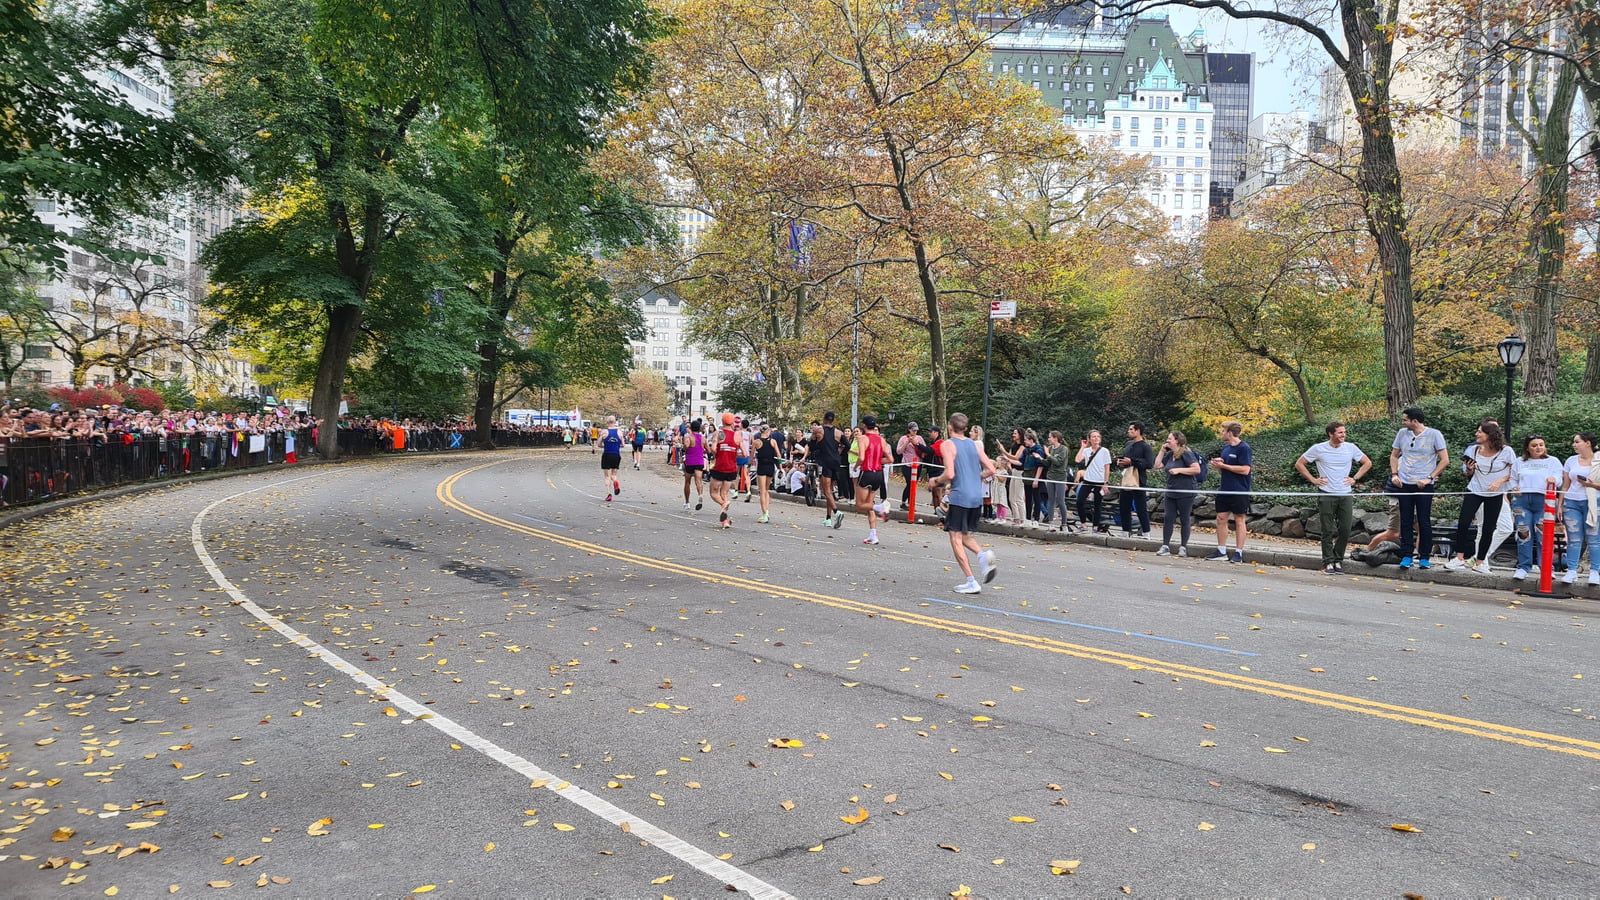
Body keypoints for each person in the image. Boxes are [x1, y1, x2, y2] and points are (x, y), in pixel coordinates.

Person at [928, 412, 997, 594]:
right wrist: (976, 478)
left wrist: (935, 481)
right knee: (964, 534)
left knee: (955, 537)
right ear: (966, 428)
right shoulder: (975, 445)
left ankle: (971, 581)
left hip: (960, 496)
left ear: (950, 427)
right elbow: (991, 469)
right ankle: (983, 556)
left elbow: (949, 473)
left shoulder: (948, 444)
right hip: (976, 496)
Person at [1295, 421, 1373, 574]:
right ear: (1331, 434)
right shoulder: (1318, 448)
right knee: (1327, 529)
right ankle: (1328, 561)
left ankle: (1338, 559)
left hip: (1345, 493)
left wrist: (1355, 478)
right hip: (1326, 493)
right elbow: (1300, 463)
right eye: (1340, 432)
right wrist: (1313, 480)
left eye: (1344, 432)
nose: (1343, 435)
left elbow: (1367, 462)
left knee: (1345, 529)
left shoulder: (1351, 448)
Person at [1441, 422, 1513, 575]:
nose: (1476, 434)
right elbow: (1468, 474)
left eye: (1480, 432)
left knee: (1488, 527)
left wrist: (1499, 482)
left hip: (1495, 493)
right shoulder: (1474, 450)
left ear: (1489, 435)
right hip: (1475, 490)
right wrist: (1469, 468)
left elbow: (1515, 472)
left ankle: (1480, 562)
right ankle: (1459, 558)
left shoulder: (1506, 451)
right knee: (1463, 522)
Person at [1386, 407, 1448, 569]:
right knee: (1405, 520)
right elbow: (1394, 455)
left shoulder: (1434, 434)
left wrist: (1430, 478)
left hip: (1423, 485)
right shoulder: (1402, 433)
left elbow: (1444, 460)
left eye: (1405, 419)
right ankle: (1407, 555)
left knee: (1424, 521)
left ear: (1414, 421)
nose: (1403, 422)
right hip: (1404, 483)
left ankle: (1424, 556)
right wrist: (1395, 474)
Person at [1510, 434, 1563, 580]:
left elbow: (1559, 478)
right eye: (1534, 445)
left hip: (1544, 501)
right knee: (1523, 534)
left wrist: (1554, 480)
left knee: (1543, 535)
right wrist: (1514, 487)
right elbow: (1513, 479)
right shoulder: (1519, 461)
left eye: (1541, 444)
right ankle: (1523, 567)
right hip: (1522, 500)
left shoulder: (1553, 461)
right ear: (1528, 448)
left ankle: (1546, 567)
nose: (1538, 448)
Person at [1204, 421, 1254, 563]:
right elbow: (1223, 469)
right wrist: (1218, 465)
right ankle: (1221, 551)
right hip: (1224, 488)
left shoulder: (1244, 448)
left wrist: (1224, 465)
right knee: (1220, 518)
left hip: (1240, 490)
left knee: (1239, 519)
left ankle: (1238, 553)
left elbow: (1245, 470)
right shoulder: (1225, 449)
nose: (1221, 433)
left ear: (1230, 433)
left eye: (1223, 431)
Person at [1155, 430, 1204, 558]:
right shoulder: (1170, 454)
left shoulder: (1186, 453)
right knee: (1168, 518)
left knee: (1184, 519)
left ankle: (1183, 547)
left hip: (1185, 491)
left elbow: (1196, 469)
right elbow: (1157, 465)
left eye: (1169, 439)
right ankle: (1165, 545)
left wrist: (1179, 470)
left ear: (1177, 440)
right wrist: (1162, 451)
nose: (1167, 441)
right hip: (1171, 491)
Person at [1560, 432, 1600, 585]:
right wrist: (1560, 504)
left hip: (1593, 502)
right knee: (1574, 538)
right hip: (1572, 501)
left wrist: (1591, 485)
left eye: (1577, 442)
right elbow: (1565, 484)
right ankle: (1571, 571)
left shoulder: (1598, 459)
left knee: (1594, 538)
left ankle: (1595, 572)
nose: (1574, 445)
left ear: (1588, 443)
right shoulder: (1571, 460)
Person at [853, 415, 892, 545]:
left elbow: (862, 458)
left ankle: (881, 506)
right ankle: (873, 534)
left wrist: (856, 466)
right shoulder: (881, 440)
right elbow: (890, 459)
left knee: (859, 505)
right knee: (869, 505)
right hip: (879, 474)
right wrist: (878, 461)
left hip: (867, 472)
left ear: (864, 426)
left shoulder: (862, 438)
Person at [1116, 422, 1155, 538]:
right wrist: (1121, 462)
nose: (1129, 431)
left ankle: (1146, 532)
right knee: (1124, 505)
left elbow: (1149, 464)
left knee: (1140, 506)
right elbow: (1126, 459)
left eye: (1131, 429)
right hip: (1127, 478)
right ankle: (1125, 530)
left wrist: (1132, 462)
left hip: (1139, 480)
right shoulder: (1128, 444)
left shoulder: (1145, 446)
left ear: (1138, 431)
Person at [813, 412, 847, 528]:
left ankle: (837, 512)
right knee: (831, 491)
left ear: (824, 419)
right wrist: (839, 451)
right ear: (833, 420)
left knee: (826, 490)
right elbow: (847, 445)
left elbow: (812, 445)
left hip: (825, 462)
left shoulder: (819, 430)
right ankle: (828, 518)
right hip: (836, 461)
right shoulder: (839, 432)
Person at [708, 412, 741, 528]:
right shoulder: (738, 435)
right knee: (724, 493)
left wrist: (720, 451)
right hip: (731, 469)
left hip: (719, 466)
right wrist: (732, 452)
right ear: (732, 422)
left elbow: (713, 449)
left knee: (713, 493)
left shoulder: (718, 433)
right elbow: (745, 453)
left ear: (722, 422)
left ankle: (724, 503)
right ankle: (725, 521)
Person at [1075, 429, 1112, 533]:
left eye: (1098, 436)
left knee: (1097, 504)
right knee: (1080, 501)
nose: (1096, 438)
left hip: (1099, 481)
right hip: (1088, 480)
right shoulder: (1087, 451)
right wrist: (1083, 446)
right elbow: (1077, 459)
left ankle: (1095, 526)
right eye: (1093, 437)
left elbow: (1107, 467)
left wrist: (1106, 482)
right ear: (1089, 439)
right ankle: (1083, 524)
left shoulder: (1104, 451)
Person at [1018, 429, 1048, 523]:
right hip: (1027, 476)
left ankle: (1036, 519)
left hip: (1035, 476)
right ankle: (1027, 518)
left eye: (1026, 439)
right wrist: (1008, 459)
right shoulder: (1026, 451)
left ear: (1031, 440)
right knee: (1028, 498)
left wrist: (1036, 480)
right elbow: (1020, 462)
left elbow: (1040, 466)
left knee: (1036, 498)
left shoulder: (1039, 450)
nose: (1024, 441)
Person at [1044, 431, 1073, 530]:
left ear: (1055, 438)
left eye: (1050, 437)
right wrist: (1039, 458)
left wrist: (1048, 455)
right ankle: (1051, 522)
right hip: (1050, 476)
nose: (1048, 439)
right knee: (1051, 499)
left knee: (1060, 500)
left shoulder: (1063, 449)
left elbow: (1058, 462)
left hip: (1060, 477)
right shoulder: (1050, 448)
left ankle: (1064, 523)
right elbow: (1048, 462)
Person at [753, 423, 781, 524]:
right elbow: (778, 455)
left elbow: (752, 457)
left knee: (762, 491)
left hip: (761, 466)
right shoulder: (773, 441)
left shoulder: (756, 442)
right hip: (770, 466)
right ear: (768, 431)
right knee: (767, 489)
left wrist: (748, 467)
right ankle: (766, 511)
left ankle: (764, 513)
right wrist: (780, 467)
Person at [896, 422, 926, 510]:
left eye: (916, 430)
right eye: (913, 430)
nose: (915, 432)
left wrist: (918, 444)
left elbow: (924, 448)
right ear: (909, 430)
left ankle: (911, 503)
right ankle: (903, 502)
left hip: (917, 464)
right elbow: (899, 451)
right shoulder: (903, 438)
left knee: (914, 484)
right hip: (907, 464)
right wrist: (907, 442)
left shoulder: (920, 438)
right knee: (909, 483)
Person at [681, 419, 707, 511]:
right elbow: (708, 449)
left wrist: (684, 448)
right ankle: (700, 495)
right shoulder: (703, 438)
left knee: (687, 481)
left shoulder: (688, 436)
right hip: (699, 461)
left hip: (690, 461)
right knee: (698, 480)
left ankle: (687, 502)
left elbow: (686, 446)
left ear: (691, 428)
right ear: (699, 428)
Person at [599, 415, 624, 501]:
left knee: (607, 476)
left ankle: (609, 494)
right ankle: (616, 482)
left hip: (607, 454)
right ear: (615, 422)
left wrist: (605, 446)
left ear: (607, 422)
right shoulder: (620, 432)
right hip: (616, 454)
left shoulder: (604, 432)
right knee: (614, 474)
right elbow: (623, 445)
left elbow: (599, 444)